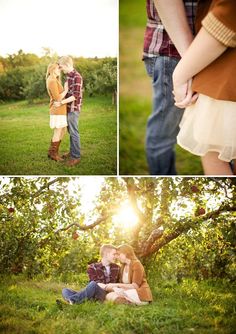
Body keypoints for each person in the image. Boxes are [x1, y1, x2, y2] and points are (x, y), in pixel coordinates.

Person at [173, 0, 236, 175]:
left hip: (224, 67)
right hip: (218, 62)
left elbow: (227, 15)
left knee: (212, 152)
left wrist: (180, 75)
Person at [143, 0, 197, 175]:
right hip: (175, 50)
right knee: (164, 131)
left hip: (211, 49)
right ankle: (163, 175)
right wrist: (191, 64)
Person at [55, 56, 83, 167]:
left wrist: (61, 103)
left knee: (74, 132)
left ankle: (76, 156)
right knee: (70, 131)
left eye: (62, 67)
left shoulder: (77, 77)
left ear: (67, 65)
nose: (61, 70)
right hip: (67, 108)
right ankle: (72, 152)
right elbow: (67, 92)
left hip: (73, 109)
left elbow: (75, 96)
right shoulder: (68, 77)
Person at [46, 63, 68, 161]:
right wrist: (66, 90)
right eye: (58, 68)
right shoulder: (51, 80)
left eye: (60, 68)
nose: (60, 70)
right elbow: (58, 98)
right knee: (58, 131)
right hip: (57, 110)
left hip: (61, 109)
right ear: (52, 69)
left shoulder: (54, 80)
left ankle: (52, 152)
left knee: (63, 130)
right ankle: (53, 154)